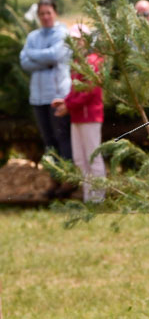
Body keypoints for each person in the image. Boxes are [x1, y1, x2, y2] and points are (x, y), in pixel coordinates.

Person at [51, 24, 106, 202]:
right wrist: (65, 102)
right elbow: (75, 90)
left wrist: (68, 105)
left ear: (87, 41)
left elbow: (89, 90)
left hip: (90, 116)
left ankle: (98, 198)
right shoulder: (77, 63)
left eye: (79, 39)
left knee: (93, 157)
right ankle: (88, 196)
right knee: (80, 159)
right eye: (73, 40)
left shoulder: (93, 61)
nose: (76, 43)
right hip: (77, 116)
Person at [20, 0, 72, 162]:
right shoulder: (32, 36)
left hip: (57, 96)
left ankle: (67, 173)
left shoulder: (62, 34)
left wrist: (32, 53)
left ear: (55, 13)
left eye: (48, 12)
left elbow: (55, 55)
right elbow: (24, 62)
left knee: (62, 137)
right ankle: (54, 174)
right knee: (49, 140)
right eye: (42, 13)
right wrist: (46, 61)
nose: (45, 16)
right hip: (38, 97)